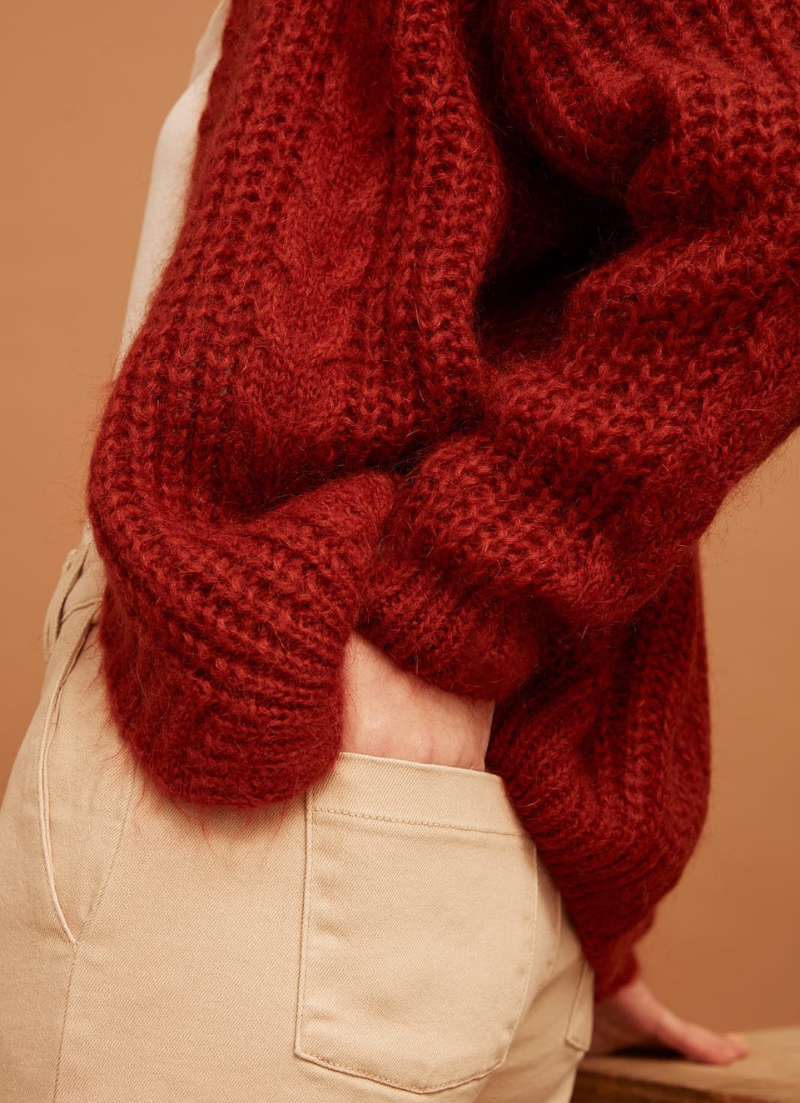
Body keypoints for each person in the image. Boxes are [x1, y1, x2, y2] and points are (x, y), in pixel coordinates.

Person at [3, 0, 797, 1098]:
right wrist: (498, 895)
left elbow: (776, 186)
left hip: (270, 788)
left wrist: (454, 611)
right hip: (402, 832)